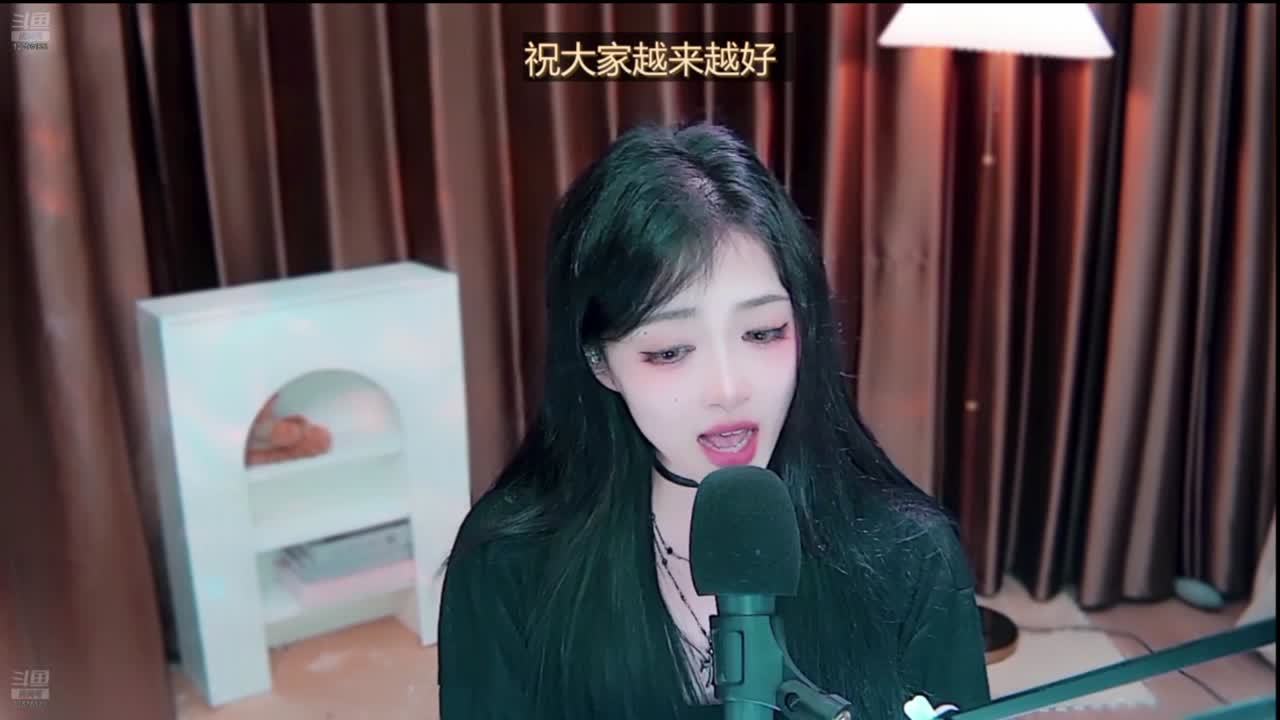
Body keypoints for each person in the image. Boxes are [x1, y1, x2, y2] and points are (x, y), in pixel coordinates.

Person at [435, 121, 992, 720]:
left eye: (763, 333)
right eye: (670, 350)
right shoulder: (508, 566)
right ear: (600, 362)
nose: (728, 390)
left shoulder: (909, 554)